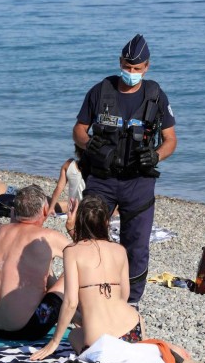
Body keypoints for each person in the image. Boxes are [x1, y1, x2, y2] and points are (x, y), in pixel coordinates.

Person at [30, 196, 201, 363]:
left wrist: (54, 342)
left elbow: (71, 302)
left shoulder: (72, 252)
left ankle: (142, 352)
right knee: (129, 344)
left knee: (74, 334)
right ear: (106, 222)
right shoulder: (120, 250)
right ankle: (161, 351)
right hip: (133, 326)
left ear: (79, 221)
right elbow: (124, 296)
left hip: (99, 339)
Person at [72, 34, 177, 305]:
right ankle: (88, 294)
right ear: (120, 62)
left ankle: (130, 301)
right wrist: (91, 146)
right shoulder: (99, 91)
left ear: (146, 67)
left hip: (138, 182)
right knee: (89, 238)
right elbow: (79, 131)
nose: (131, 73)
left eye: (137, 69)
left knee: (136, 245)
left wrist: (154, 157)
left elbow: (170, 140)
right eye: (127, 67)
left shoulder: (155, 95)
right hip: (101, 180)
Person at [0, 184, 75, 340]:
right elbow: (87, 256)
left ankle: (77, 317)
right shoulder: (49, 236)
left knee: (44, 269)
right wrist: (72, 228)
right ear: (45, 210)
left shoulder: (0, 231)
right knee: (73, 272)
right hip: (28, 329)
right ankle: (82, 318)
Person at [47, 144, 86, 216]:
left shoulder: (68, 164)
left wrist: (51, 208)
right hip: (89, 210)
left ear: (76, 151)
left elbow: (59, 188)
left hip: (72, 211)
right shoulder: (95, 168)